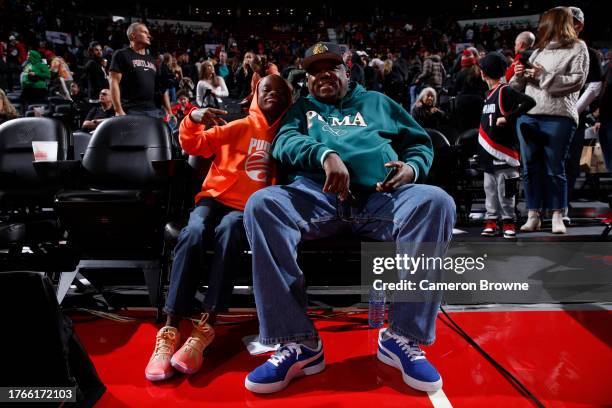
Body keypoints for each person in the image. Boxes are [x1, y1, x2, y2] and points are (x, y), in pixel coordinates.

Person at [243, 42, 455, 394]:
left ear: (348, 70)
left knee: (436, 201)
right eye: (313, 70)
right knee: (262, 205)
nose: (322, 74)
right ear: (306, 79)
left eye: (331, 67)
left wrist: (412, 169)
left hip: (380, 197)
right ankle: (299, 343)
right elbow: (284, 142)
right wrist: (324, 153)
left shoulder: (379, 103)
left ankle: (402, 337)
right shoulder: (302, 109)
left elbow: (419, 143)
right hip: (317, 198)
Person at [145, 74, 292, 382]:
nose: (273, 95)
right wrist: (193, 118)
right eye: (267, 89)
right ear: (255, 94)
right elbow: (193, 144)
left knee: (228, 234)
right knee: (193, 232)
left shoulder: (286, 138)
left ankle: (204, 328)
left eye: (281, 92)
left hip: (246, 208)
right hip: (212, 199)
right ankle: (170, 328)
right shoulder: (238, 126)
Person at [511, 7, 589, 234]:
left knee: (555, 168)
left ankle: (557, 214)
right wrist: (519, 75)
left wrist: (541, 76)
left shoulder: (578, 47)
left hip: (559, 116)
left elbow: (576, 82)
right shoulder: (539, 51)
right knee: (530, 168)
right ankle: (533, 214)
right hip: (528, 116)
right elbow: (518, 88)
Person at [477, 52, 536, 239]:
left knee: (506, 192)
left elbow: (529, 102)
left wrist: (508, 117)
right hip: (489, 153)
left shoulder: (505, 90)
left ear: (483, 73)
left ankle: (508, 222)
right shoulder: (488, 94)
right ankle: (492, 221)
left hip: (505, 153)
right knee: (490, 191)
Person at [564, 6, 605, 222]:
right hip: (552, 117)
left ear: (578, 26)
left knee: (570, 164)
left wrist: (573, 111)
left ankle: (563, 205)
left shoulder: (590, 53)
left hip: (574, 119)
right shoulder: (553, 50)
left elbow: (594, 87)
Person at [108, 22, 173, 119]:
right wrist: (118, 110)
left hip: (153, 110)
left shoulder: (152, 59)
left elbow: (162, 88)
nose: (149, 36)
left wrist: (169, 111)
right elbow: (113, 82)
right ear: (133, 35)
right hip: (131, 110)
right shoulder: (121, 54)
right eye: (145, 32)